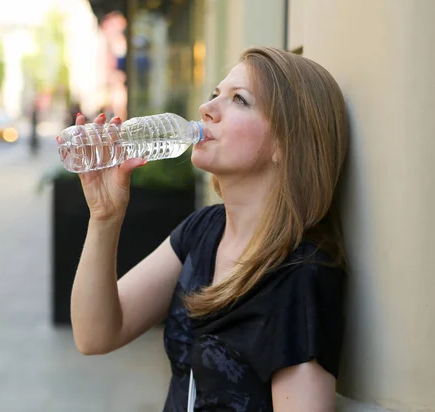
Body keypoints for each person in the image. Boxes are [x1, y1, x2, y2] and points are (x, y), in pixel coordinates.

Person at [67, 47, 349, 411]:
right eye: (216, 95)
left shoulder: (300, 274)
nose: (207, 109)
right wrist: (104, 217)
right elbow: (95, 335)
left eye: (239, 100)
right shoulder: (204, 230)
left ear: (286, 142)